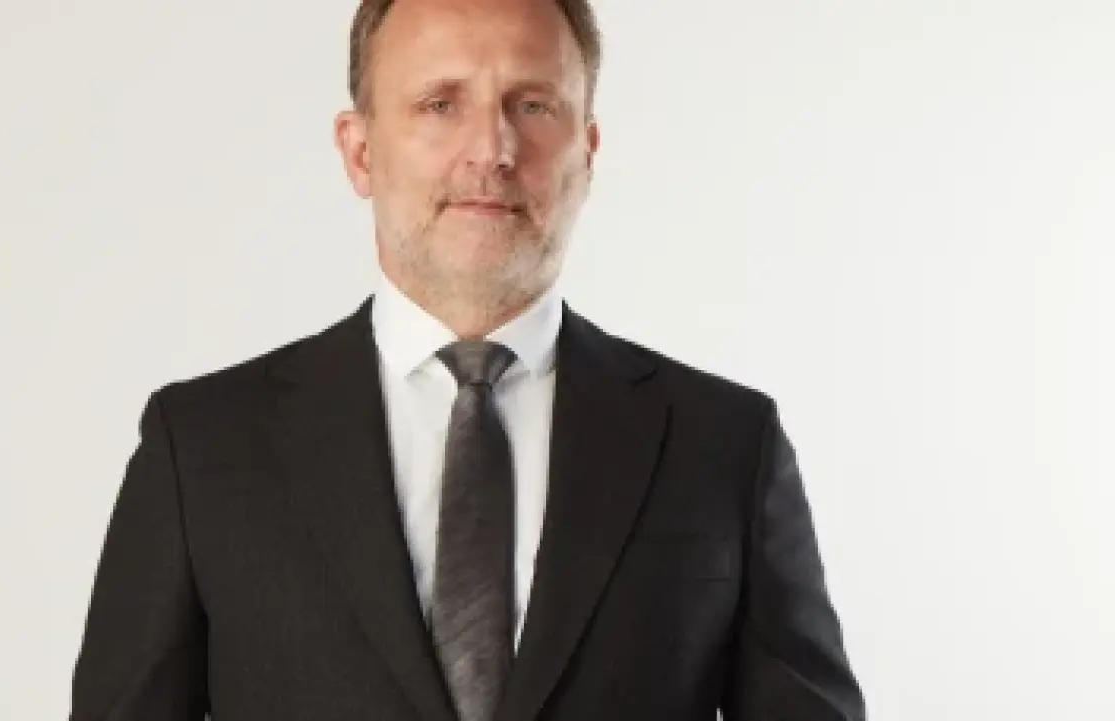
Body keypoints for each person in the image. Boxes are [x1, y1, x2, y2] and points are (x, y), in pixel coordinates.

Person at [67, 0, 868, 719]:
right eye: (440, 103)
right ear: (359, 151)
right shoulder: (202, 448)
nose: (492, 148)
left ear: (588, 151)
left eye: (533, 104)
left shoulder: (725, 445)